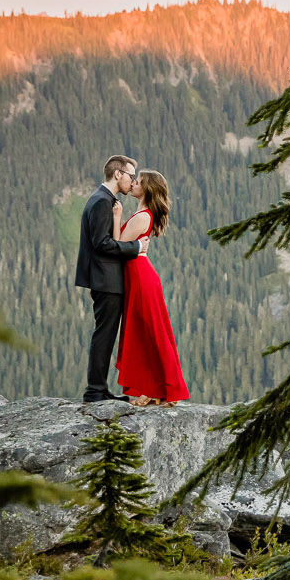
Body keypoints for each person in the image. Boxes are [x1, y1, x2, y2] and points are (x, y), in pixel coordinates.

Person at [75, 154, 149, 402]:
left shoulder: (106, 200)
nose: (132, 181)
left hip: (108, 279)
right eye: (130, 176)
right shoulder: (101, 202)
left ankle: (100, 389)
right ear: (118, 174)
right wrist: (136, 248)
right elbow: (102, 244)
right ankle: (95, 391)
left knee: (105, 333)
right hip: (106, 280)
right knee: (104, 333)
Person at [114, 169, 189, 406]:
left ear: (146, 189)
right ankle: (153, 389)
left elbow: (116, 245)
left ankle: (167, 389)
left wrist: (117, 216)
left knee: (153, 333)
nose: (133, 184)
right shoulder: (143, 215)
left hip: (141, 277)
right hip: (140, 276)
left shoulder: (142, 217)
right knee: (146, 333)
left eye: (137, 182)